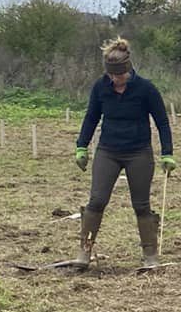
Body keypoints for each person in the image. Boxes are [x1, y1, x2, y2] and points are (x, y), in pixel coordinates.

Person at [73, 37, 175, 269]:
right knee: (97, 200)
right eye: (111, 75)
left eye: (119, 75)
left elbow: (162, 122)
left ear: (128, 69)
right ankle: (84, 251)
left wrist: (167, 153)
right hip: (108, 151)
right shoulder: (100, 87)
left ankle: (150, 255)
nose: (115, 79)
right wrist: (82, 146)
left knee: (141, 204)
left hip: (139, 152)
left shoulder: (146, 89)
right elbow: (91, 117)